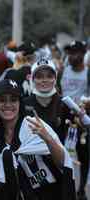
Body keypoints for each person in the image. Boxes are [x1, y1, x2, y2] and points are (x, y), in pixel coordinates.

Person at [0, 79, 75, 200]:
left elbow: (64, 163)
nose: (8, 105)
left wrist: (48, 139)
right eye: (2, 100)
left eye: (13, 100)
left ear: (20, 103)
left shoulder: (34, 125)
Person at [59, 41, 89, 200]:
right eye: (69, 53)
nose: (71, 56)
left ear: (83, 54)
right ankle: (63, 185)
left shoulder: (88, 74)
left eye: (74, 53)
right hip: (64, 117)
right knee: (63, 152)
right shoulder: (63, 70)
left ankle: (81, 189)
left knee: (84, 155)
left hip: (82, 120)